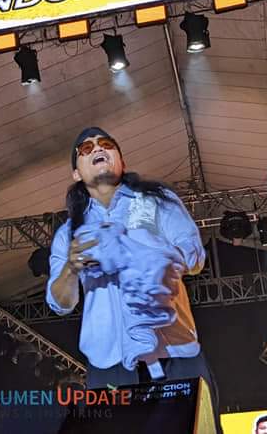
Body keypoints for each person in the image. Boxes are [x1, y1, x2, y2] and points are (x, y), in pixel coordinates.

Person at [46, 127, 221, 432]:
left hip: (174, 353)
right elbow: (59, 303)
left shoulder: (158, 202)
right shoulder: (69, 233)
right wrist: (71, 269)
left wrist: (144, 251)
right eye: (86, 148)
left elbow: (194, 256)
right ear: (76, 173)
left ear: (122, 161)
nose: (97, 148)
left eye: (106, 144)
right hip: (109, 366)